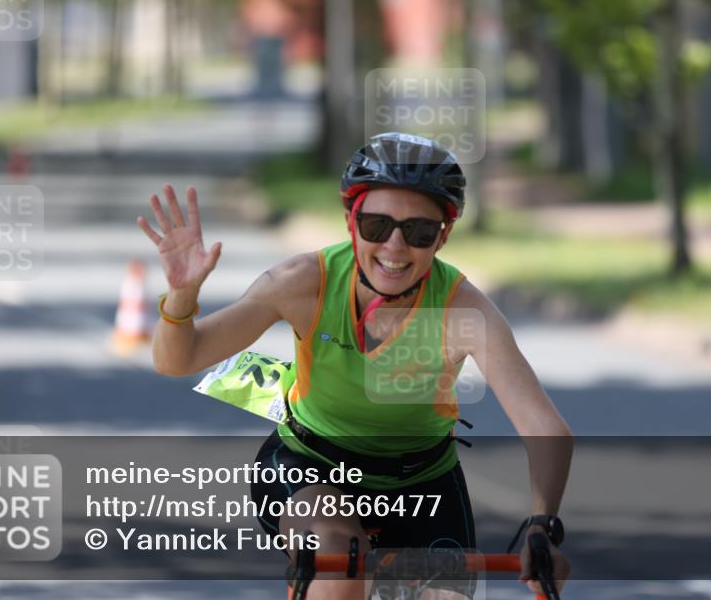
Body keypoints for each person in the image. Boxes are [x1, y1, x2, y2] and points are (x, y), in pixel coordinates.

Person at [139, 132, 573, 600]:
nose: (395, 246)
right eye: (376, 226)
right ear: (351, 221)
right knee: (340, 563)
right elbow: (176, 360)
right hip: (312, 467)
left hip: (423, 483)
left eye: (419, 232)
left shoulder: (462, 312)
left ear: (442, 237)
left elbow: (544, 426)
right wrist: (182, 297)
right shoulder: (301, 283)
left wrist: (541, 523)